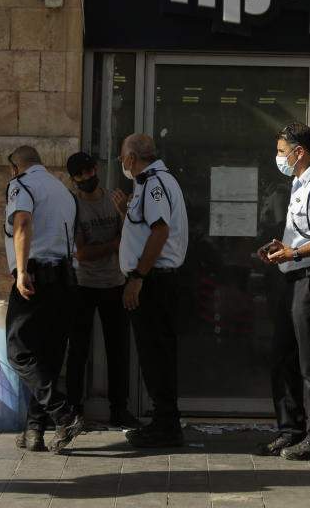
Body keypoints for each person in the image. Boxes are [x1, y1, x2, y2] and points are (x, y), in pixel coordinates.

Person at [253, 123, 310, 461]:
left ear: (299, 152)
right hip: (293, 278)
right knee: (283, 359)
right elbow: (308, 234)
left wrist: (295, 253)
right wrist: (285, 248)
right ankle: (290, 431)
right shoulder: (299, 184)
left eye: (281, 151)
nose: (278, 157)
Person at [3, 146, 83, 454]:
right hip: (65, 280)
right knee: (47, 358)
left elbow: (22, 223)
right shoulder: (63, 191)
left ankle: (64, 413)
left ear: (15, 167)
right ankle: (34, 430)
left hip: (36, 277)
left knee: (18, 352)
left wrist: (22, 271)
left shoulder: (21, 185)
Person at [116, 133, 189, 448]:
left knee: (156, 353)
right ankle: (163, 421)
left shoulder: (155, 182)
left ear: (131, 158)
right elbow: (145, 229)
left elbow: (160, 231)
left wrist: (137, 278)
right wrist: (125, 213)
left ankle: (166, 425)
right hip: (153, 278)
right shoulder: (147, 184)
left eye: (122, 156)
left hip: (154, 281)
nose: (122, 162)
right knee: (153, 354)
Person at [65, 152, 139, 429]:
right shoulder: (74, 207)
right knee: (79, 352)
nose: (86, 178)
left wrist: (123, 216)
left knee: (117, 350)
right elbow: (81, 253)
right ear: (73, 179)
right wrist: (113, 244)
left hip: (114, 284)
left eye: (88, 172)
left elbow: (131, 235)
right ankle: (74, 411)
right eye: (80, 175)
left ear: (95, 169)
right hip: (83, 285)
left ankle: (119, 409)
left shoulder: (113, 199)